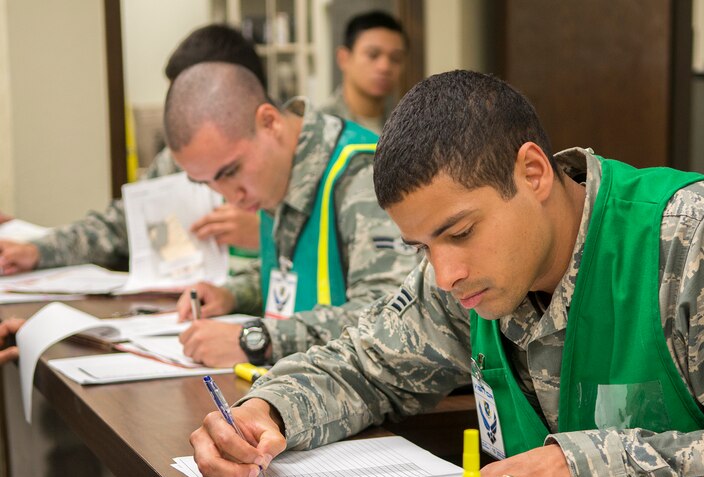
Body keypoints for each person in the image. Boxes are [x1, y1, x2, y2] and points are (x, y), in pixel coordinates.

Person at [189, 70, 704, 477]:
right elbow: (363, 362)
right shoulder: (464, 279)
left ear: (532, 172)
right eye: (421, 245)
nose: (445, 270)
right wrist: (267, 414)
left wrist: (584, 467)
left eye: (459, 232)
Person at [167, 62, 415, 368]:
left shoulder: (362, 174)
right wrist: (233, 295)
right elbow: (296, 270)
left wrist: (259, 340)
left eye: (231, 171)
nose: (230, 195)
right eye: (208, 182)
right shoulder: (278, 172)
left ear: (269, 122)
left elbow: (392, 316)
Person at [0, 24, 263, 276]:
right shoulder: (176, 162)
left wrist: (266, 237)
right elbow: (119, 226)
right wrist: (37, 251)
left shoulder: (284, 159)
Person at [318, 11, 407, 134]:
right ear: (343, 58)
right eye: (373, 55)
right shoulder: (319, 126)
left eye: (396, 58)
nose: (385, 67)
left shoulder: (406, 127)